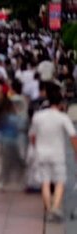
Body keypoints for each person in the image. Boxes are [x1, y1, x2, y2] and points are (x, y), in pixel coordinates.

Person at [29, 90, 77, 222]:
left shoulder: (38, 116)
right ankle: (56, 206)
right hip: (57, 154)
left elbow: (32, 135)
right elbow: (73, 136)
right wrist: (76, 152)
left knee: (45, 181)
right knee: (60, 181)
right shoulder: (62, 117)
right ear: (61, 103)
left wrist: (35, 146)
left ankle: (49, 210)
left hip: (41, 153)